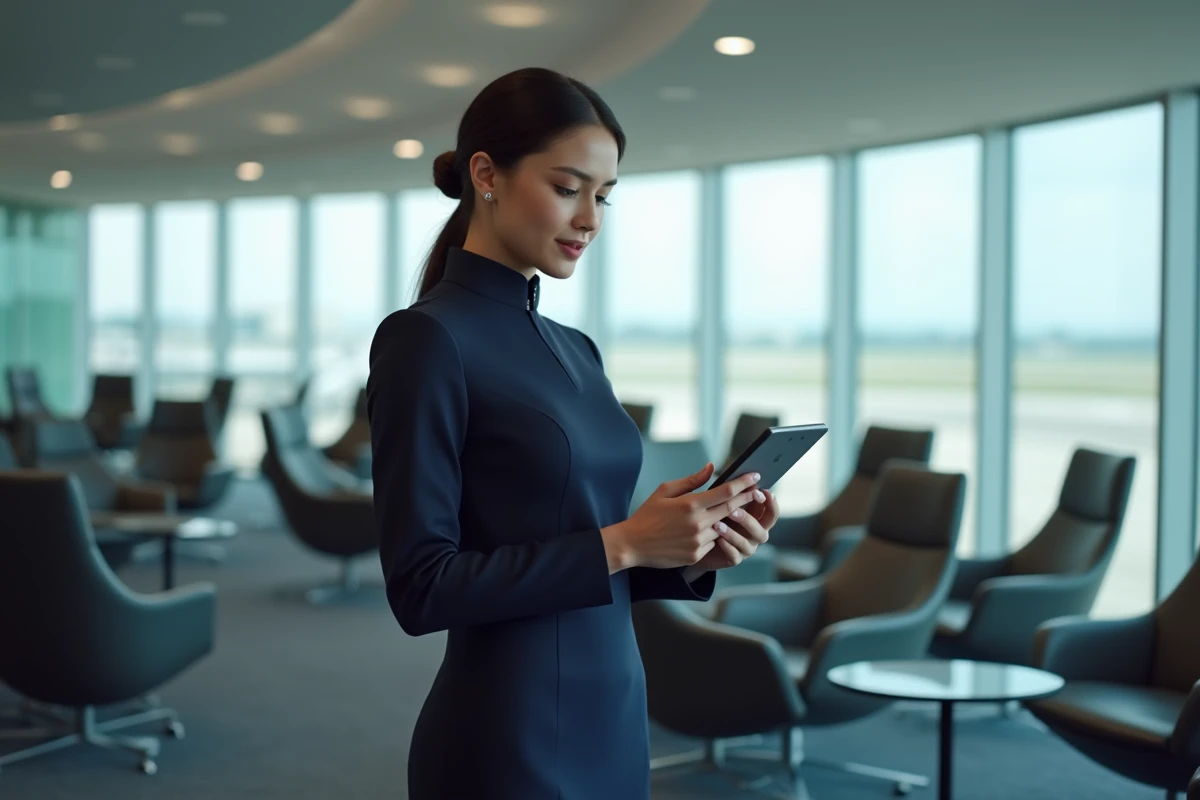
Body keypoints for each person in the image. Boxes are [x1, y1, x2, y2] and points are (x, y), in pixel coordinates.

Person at [366, 67, 780, 800]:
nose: (590, 218)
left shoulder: (577, 349)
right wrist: (625, 542)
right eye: (567, 188)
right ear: (486, 176)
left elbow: (588, 554)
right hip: (509, 736)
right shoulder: (425, 341)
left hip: (615, 716)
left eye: (604, 195)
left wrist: (686, 552)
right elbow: (421, 588)